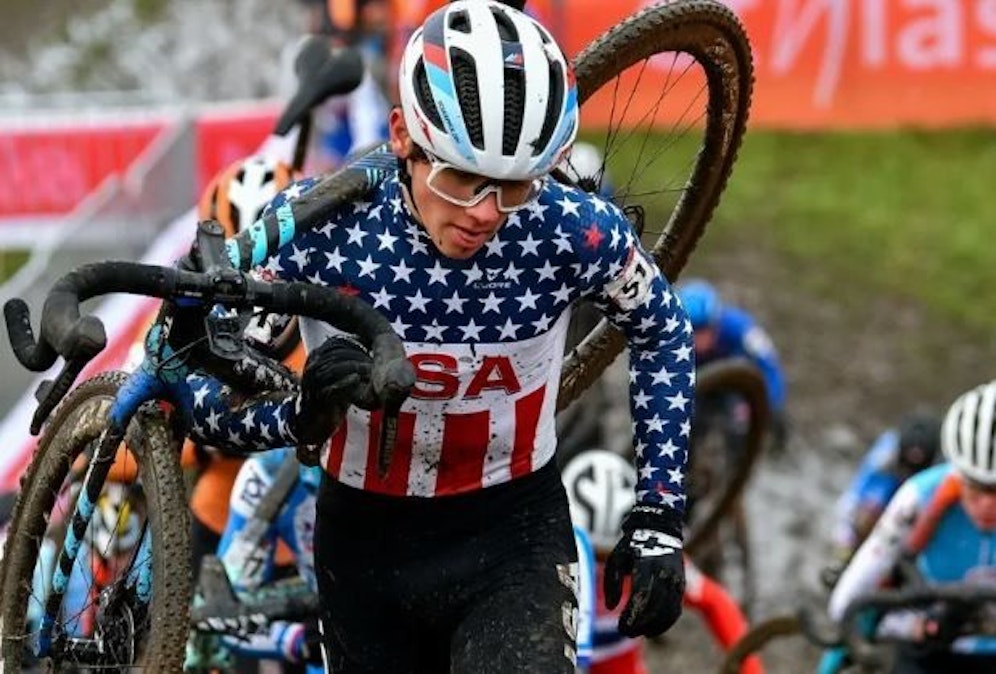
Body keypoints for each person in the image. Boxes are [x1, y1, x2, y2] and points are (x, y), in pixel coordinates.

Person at [164, 2, 694, 671]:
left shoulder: (572, 229)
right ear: (402, 137)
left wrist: (659, 517)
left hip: (513, 537)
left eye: (512, 187)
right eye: (461, 178)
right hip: (363, 549)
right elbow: (203, 401)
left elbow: (663, 329)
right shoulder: (322, 227)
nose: (484, 214)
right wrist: (299, 415)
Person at [827, 380, 996, 674]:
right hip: (930, 647)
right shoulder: (920, 496)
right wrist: (913, 626)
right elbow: (846, 602)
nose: (987, 506)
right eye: (975, 490)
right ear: (958, 476)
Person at [562, 448, 765, 674]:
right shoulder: (547, 550)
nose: (602, 571)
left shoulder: (647, 552)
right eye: (591, 556)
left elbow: (715, 602)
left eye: (611, 558)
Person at [821, 409, 942, 589]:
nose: (912, 463)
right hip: (887, 494)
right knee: (866, 514)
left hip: (923, 506)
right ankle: (846, 562)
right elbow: (854, 497)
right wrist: (844, 544)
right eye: (909, 460)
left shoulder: (941, 471)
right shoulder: (884, 456)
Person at [676, 277, 788, 448]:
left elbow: (771, 368)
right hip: (699, 385)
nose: (698, 342)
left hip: (736, 386)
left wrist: (763, 406)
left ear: (715, 324)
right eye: (692, 333)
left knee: (740, 426)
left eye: (703, 332)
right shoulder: (674, 341)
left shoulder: (742, 330)